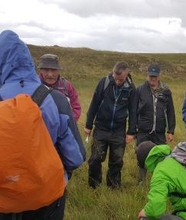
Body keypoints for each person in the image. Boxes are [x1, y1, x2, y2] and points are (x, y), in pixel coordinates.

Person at [0, 30, 85, 219]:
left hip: (5, 201)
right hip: (47, 197)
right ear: (29, 62)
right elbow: (76, 157)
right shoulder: (57, 100)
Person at [84, 61, 137, 189]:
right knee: (95, 158)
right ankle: (94, 186)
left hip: (118, 130)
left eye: (121, 80)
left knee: (116, 161)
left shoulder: (131, 88)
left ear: (126, 75)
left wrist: (131, 132)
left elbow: (133, 111)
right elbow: (94, 104)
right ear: (113, 73)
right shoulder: (104, 83)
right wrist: (88, 125)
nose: (118, 82)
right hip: (101, 128)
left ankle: (113, 186)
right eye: (116, 78)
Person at [135, 63, 176, 184]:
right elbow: (133, 110)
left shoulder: (166, 91)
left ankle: (159, 181)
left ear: (159, 76)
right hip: (143, 130)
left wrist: (171, 130)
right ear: (147, 75)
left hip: (159, 131)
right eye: (150, 76)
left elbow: (170, 111)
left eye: (155, 76)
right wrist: (133, 129)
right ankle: (141, 182)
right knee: (142, 155)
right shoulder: (140, 90)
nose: (152, 79)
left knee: (160, 156)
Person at [38, 53, 82, 121]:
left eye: (53, 70)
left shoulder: (67, 86)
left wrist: (68, 123)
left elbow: (76, 108)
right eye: (46, 70)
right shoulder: (34, 86)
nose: (50, 74)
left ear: (58, 70)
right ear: (40, 70)